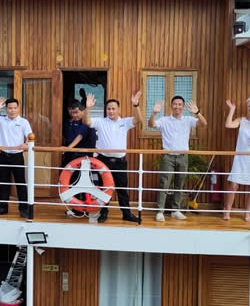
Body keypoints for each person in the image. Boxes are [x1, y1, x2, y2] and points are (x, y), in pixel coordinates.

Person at [84, 91, 143, 223]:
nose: (111, 111)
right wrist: (88, 108)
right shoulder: (100, 121)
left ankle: (126, 213)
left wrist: (136, 105)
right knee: (105, 188)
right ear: (106, 110)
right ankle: (103, 213)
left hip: (120, 162)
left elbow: (139, 120)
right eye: (108, 109)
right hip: (104, 161)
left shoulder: (125, 122)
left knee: (122, 188)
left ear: (118, 109)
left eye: (113, 109)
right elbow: (87, 121)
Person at [148, 96, 207, 222]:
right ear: (171, 106)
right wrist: (154, 113)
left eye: (180, 104)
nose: (177, 107)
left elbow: (203, 123)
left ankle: (175, 210)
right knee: (164, 184)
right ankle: (160, 211)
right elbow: (151, 124)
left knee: (179, 184)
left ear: (183, 107)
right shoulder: (164, 120)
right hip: (168, 156)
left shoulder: (188, 119)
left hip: (183, 156)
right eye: (175, 104)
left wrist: (197, 113)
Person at [0, 96, 33, 219]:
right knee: (4, 183)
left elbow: (30, 136)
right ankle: (3, 208)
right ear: (6, 109)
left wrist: (26, 144)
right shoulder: (2, 120)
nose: (12, 110)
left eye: (15, 108)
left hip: (17, 156)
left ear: (18, 109)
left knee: (21, 183)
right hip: (4, 155)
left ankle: (23, 209)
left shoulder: (23, 122)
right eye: (10, 108)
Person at [62, 99, 97, 218]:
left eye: (76, 112)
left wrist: (68, 148)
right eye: (72, 113)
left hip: (84, 157)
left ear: (82, 111)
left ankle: (84, 208)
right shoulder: (69, 122)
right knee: (72, 182)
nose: (74, 115)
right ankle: (77, 208)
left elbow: (80, 136)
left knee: (84, 183)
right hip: (71, 156)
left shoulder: (87, 123)